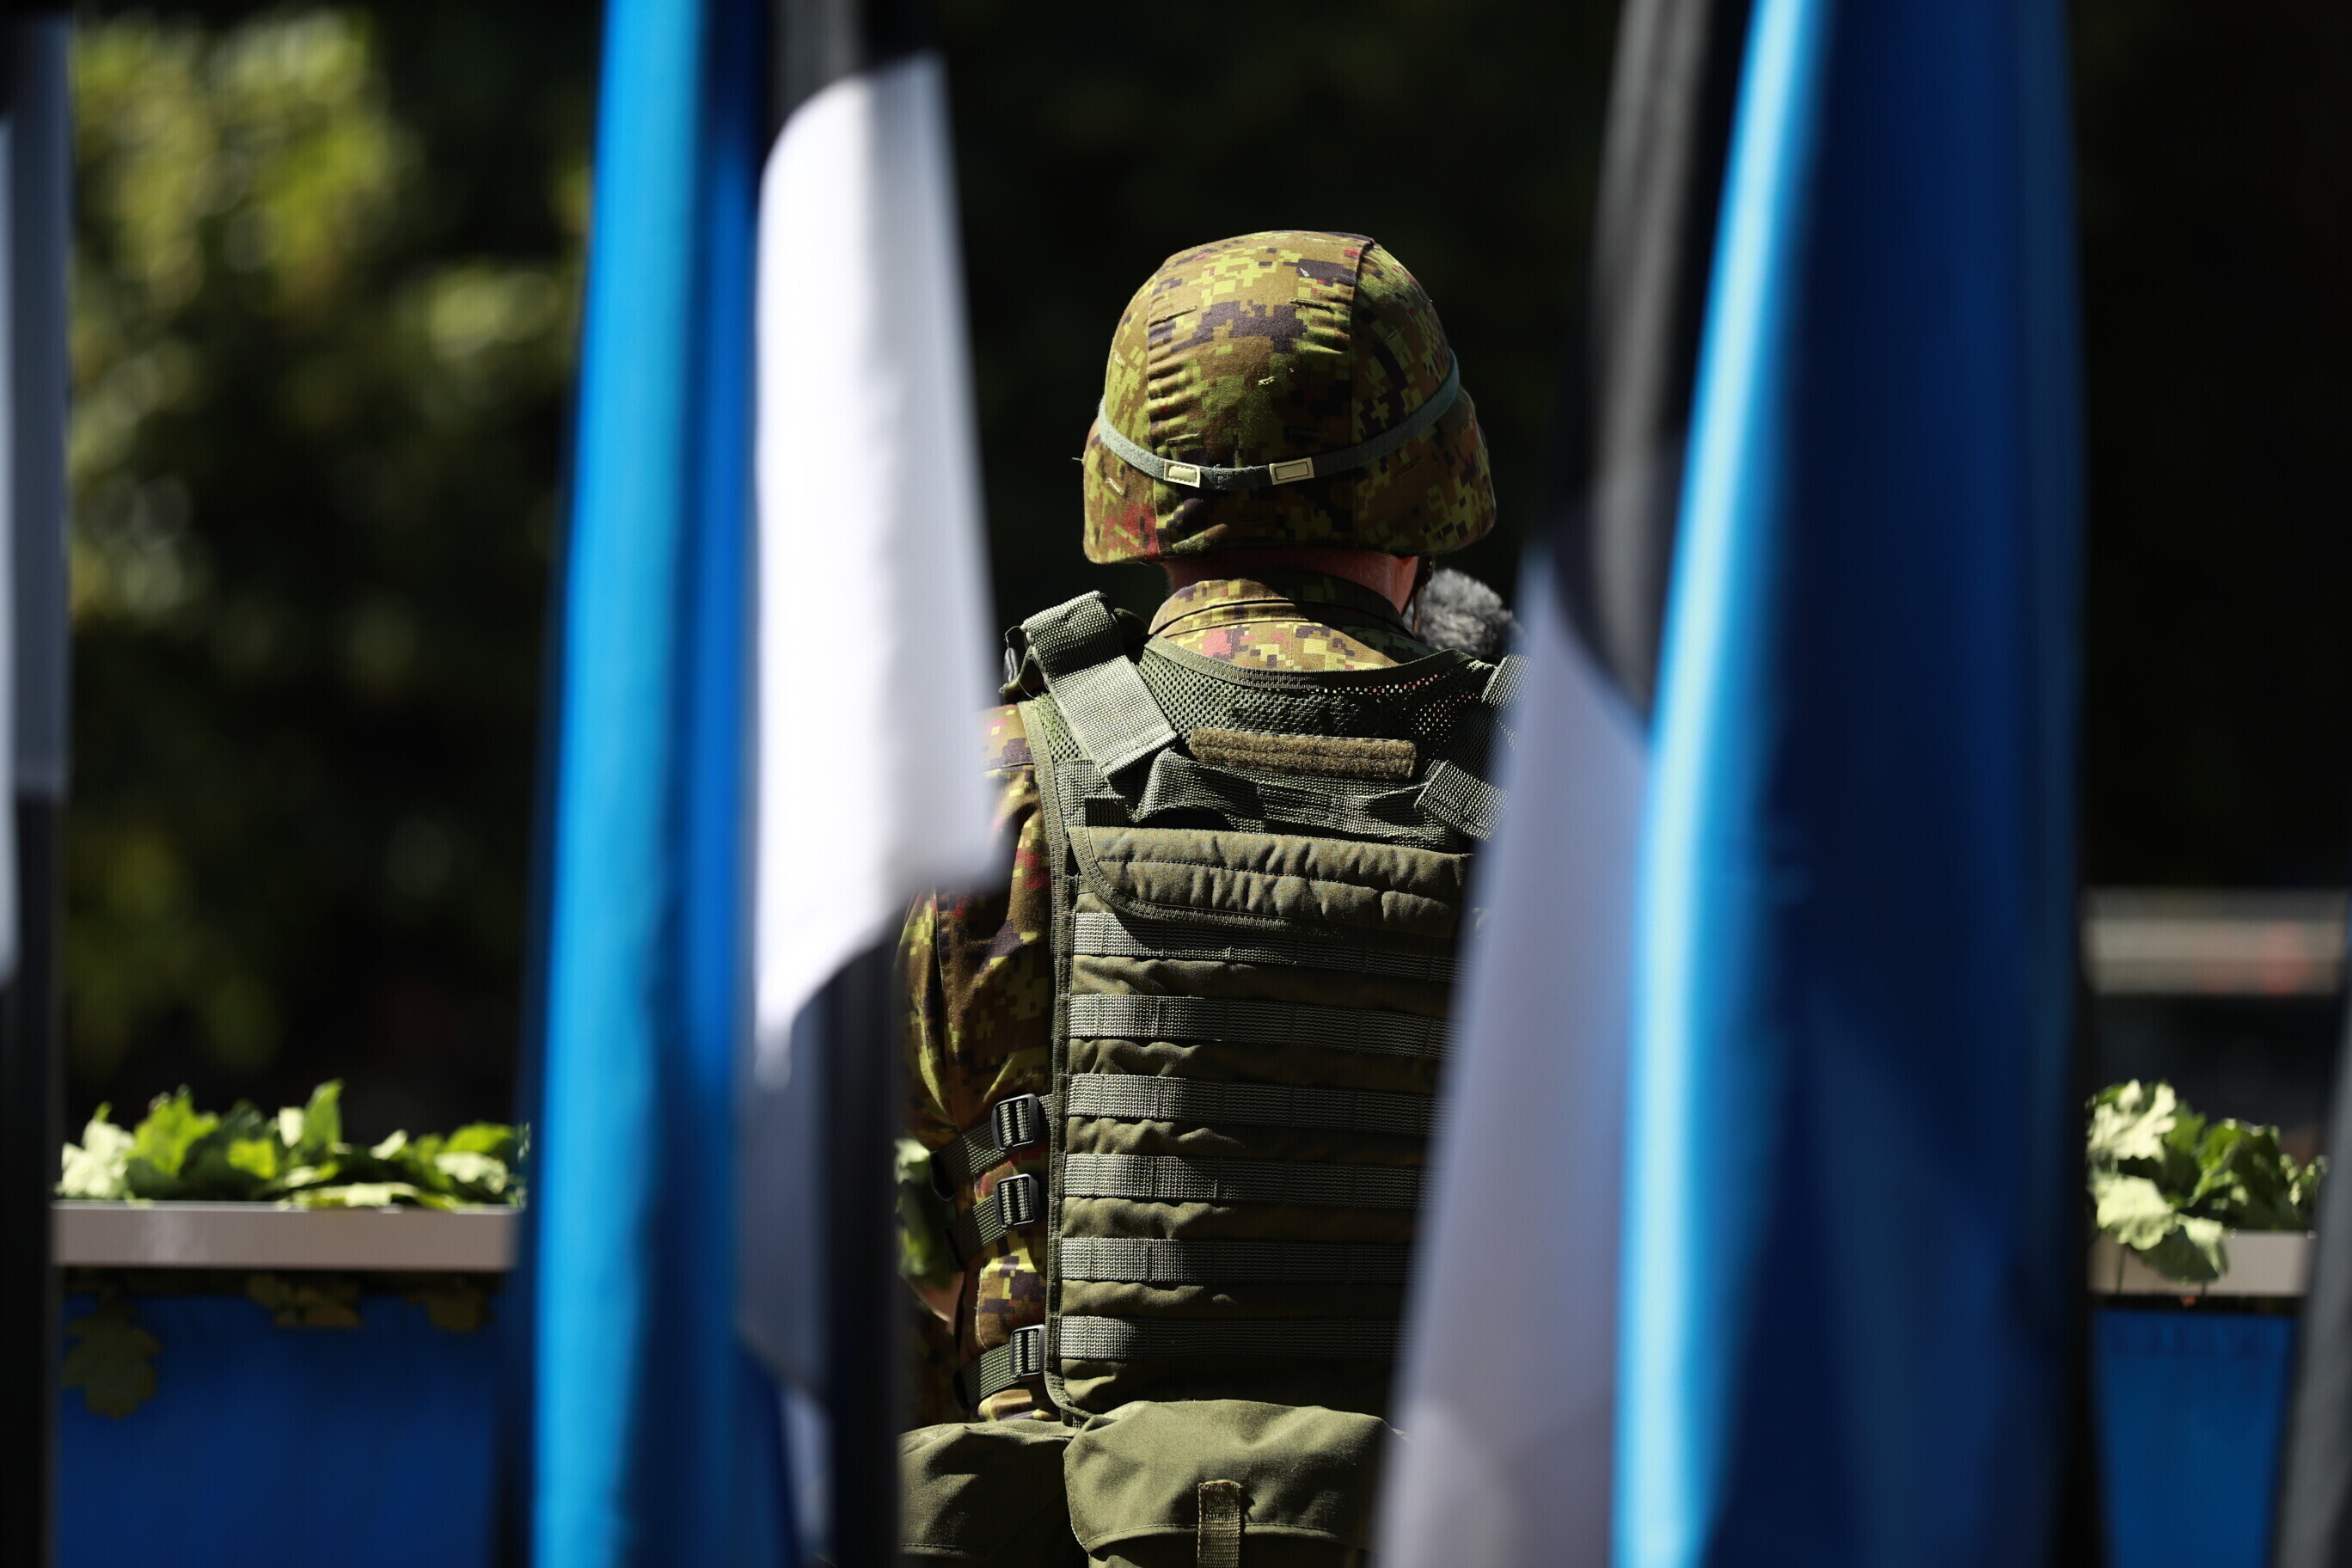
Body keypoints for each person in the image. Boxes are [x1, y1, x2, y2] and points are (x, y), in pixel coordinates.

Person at [897, 230, 1515, 1566]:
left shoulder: (994, 787)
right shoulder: (1577, 803)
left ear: (1127, 480)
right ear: (1434, 474)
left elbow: (832, 1209)